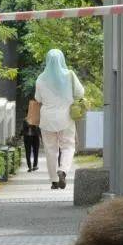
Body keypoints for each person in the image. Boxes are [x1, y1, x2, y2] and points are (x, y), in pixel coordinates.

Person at [34, 49, 84, 190]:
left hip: (47, 119)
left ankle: (54, 181)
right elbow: (80, 93)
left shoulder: (40, 78)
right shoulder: (70, 75)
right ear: (62, 60)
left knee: (50, 150)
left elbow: (38, 98)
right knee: (68, 146)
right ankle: (63, 170)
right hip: (66, 117)